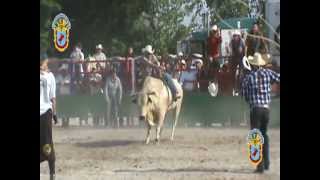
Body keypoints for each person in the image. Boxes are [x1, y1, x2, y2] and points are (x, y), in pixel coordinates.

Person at [240, 52, 280, 173]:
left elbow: (243, 94)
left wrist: (249, 98)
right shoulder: (268, 73)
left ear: (253, 65)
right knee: (264, 134)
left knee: (255, 136)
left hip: (255, 109)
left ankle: (259, 165)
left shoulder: (249, 78)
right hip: (266, 109)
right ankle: (266, 163)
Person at [40, 53, 57, 180]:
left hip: (46, 112)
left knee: (47, 142)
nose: (41, 64)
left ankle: (52, 172)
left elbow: (53, 97)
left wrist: (54, 113)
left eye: (43, 61)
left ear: (46, 62)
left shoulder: (51, 76)